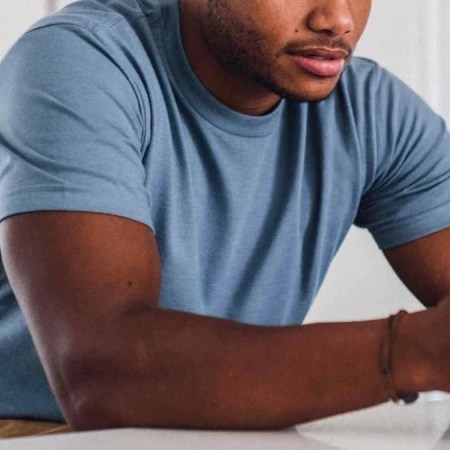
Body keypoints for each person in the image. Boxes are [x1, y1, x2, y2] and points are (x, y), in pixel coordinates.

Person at [0, 0, 449, 437]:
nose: (337, 19)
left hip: (225, 432)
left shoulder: (370, 112)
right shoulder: (81, 62)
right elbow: (100, 377)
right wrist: (413, 351)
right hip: (39, 434)